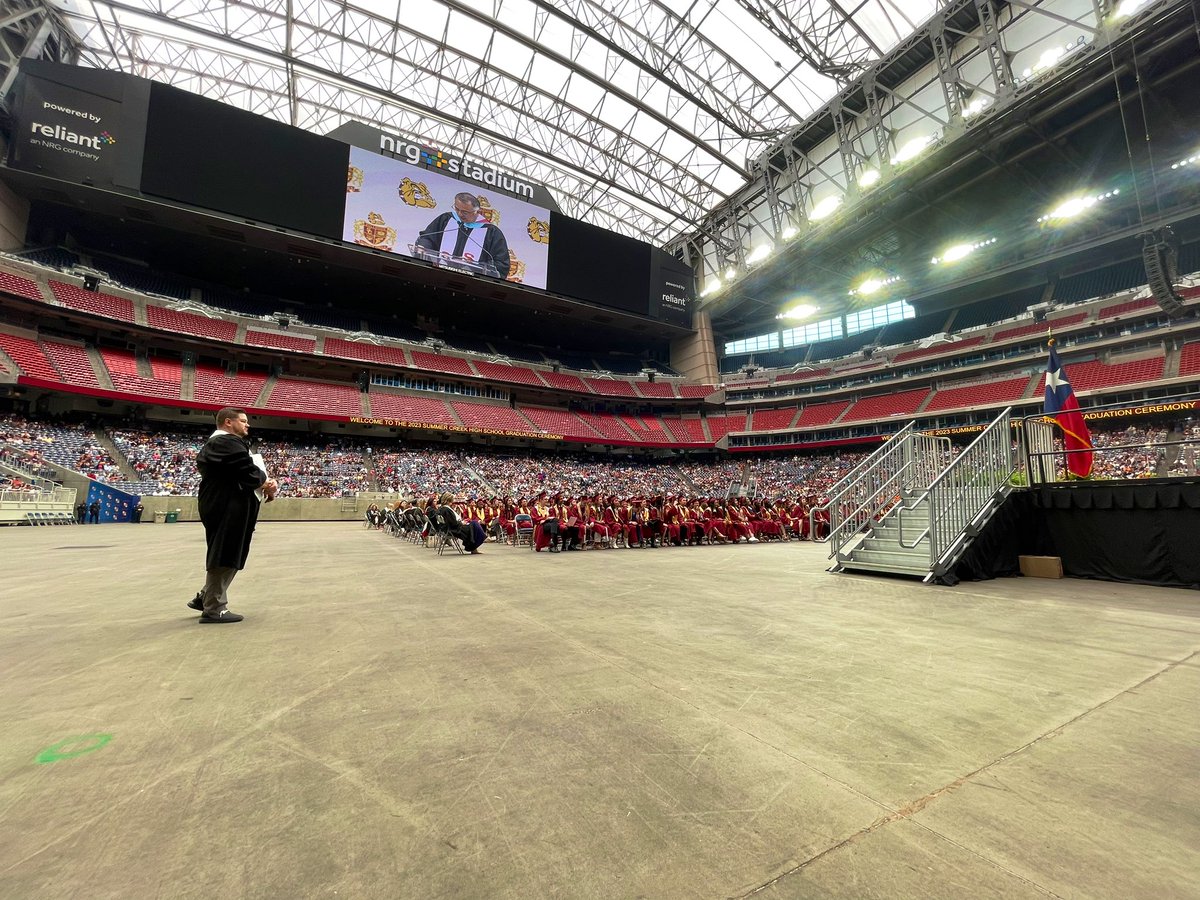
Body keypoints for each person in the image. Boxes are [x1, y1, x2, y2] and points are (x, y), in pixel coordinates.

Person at [186, 408, 277, 623]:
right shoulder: (226, 443)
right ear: (228, 422)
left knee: (229, 551)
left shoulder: (220, 444)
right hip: (228, 506)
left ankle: (206, 597)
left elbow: (243, 473)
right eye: (243, 421)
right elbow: (249, 471)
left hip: (225, 504)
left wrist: (262, 482)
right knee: (226, 552)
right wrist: (265, 482)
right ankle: (214, 607)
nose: (248, 425)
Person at [414, 191, 511, 278]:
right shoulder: (446, 219)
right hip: (437, 275)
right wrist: (423, 247)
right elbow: (427, 238)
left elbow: (501, 264)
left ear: (477, 212)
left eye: (465, 212)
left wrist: (476, 267)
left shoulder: (491, 232)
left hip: (471, 283)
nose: (460, 214)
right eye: (457, 209)